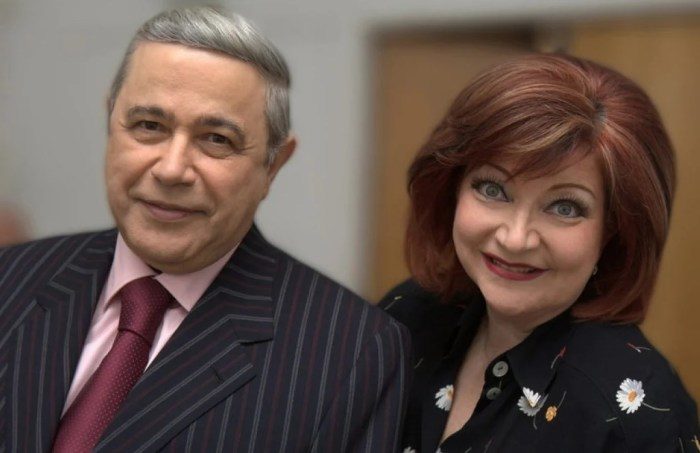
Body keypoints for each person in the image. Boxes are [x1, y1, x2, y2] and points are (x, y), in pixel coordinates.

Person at [0, 7, 410, 452]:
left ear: (274, 165)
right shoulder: (11, 278)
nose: (172, 169)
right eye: (149, 126)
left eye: (217, 139)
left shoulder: (349, 352)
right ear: (110, 122)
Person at [380, 53, 699, 452]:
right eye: (493, 189)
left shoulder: (636, 418)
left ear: (614, 232)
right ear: (452, 189)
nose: (516, 239)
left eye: (564, 207)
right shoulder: (407, 318)